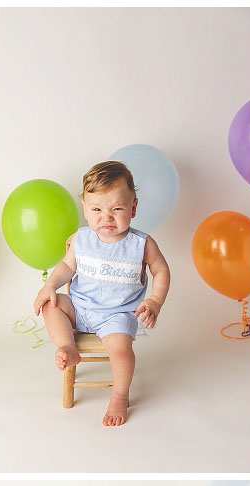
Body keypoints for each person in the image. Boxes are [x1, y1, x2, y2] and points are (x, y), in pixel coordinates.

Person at [33, 161, 170, 427]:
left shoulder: (141, 244)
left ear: (133, 207)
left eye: (116, 209)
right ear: (85, 209)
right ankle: (67, 347)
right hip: (81, 308)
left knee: (120, 349)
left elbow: (161, 270)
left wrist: (155, 300)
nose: (106, 218)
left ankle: (119, 394)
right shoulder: (81, 239)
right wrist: (50, 285)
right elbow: (66, 267)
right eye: (96, 209)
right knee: (53, 305)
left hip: (117, 316)